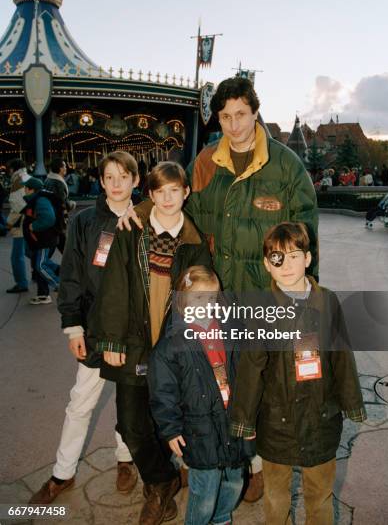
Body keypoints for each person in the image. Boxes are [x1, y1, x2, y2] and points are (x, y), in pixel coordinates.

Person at [118, 77, 319, 501]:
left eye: (240, 115)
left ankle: (256, 464)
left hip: (264, 296)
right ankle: (208, 456)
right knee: (210, 379)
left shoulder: (285, 167)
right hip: (214, 296)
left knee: (262, 382)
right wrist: (136, 210)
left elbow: (305, 236)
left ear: (255, 112)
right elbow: (174, 197)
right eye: (225, 116)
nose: (233, 124)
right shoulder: (206, 161)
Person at [95, 161, 211, 525]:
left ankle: (158, 491)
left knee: (166, 420)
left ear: (185, 193)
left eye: (174, 190)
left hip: (172, 348)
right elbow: (113, 284)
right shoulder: (131, 229)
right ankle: (164, 480)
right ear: (151, 194)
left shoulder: (194, 243)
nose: (167, 198)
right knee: (131, 423)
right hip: (133, 342)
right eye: (159, 191)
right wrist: (111, 338)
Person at [230, 222, 366, 525]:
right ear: (267, 265)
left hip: (321, 418)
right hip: (276, 422)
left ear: (308, 258)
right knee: (276, 496)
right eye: (278, 258)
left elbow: (341, 357)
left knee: (319, 494)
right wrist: (244, 418)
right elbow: (252, 366)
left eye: (294, 256)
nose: (287, 266)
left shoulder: (327, 301)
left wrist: (351, 403)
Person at [29, 151, 139, 504]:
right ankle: (63, 472)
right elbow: (72, 274)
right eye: (110, 177)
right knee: (81, 402)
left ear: (136, 180)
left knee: (130, 401)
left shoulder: (147, 219)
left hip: (135, 331)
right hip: (94, 327)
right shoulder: (85, 220)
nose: (117, 183)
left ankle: (126, 460)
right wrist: (73, 327)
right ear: (101, 181)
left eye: (124, 176)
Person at [148, 266, 251, 525]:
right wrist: (171, 429)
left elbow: (249, 372)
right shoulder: (171, 343)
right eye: (197, 298)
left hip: (232, 419)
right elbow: (163, 391)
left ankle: (222, 517)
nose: (205, 305)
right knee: (204, 488)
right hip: (199, 426)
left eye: (211, 298)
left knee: (235, 479)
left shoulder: (232, 327)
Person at [21, 178, 60, 305]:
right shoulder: (36, 199)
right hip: (40, 240)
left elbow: (49, 218)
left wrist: (33, 226)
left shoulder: (40, 200)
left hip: (44, 240)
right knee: (40, 265)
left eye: (26, 188)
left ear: (32, 189)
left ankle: (61, 286)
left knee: (40, 265)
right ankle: (43, 294)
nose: (24, 190)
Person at [5, 159, 30, 293]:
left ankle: (21, 283)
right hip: (31, 221)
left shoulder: (17, 182)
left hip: (21, 224)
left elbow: (17, 207)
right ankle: (49, 270)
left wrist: (8, 223)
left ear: (12, 169)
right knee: (31, 252)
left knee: (16, 256)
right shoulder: (28, 177)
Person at [44, 158, 76, 253]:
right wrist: (71, 204)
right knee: (62, 246)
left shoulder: (49, 179)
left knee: (57, 244)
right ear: (60, 168)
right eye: (64, 166)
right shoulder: (58, 183)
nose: (66, 168)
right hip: (58, 219)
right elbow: (61, 202)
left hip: (51, 217)